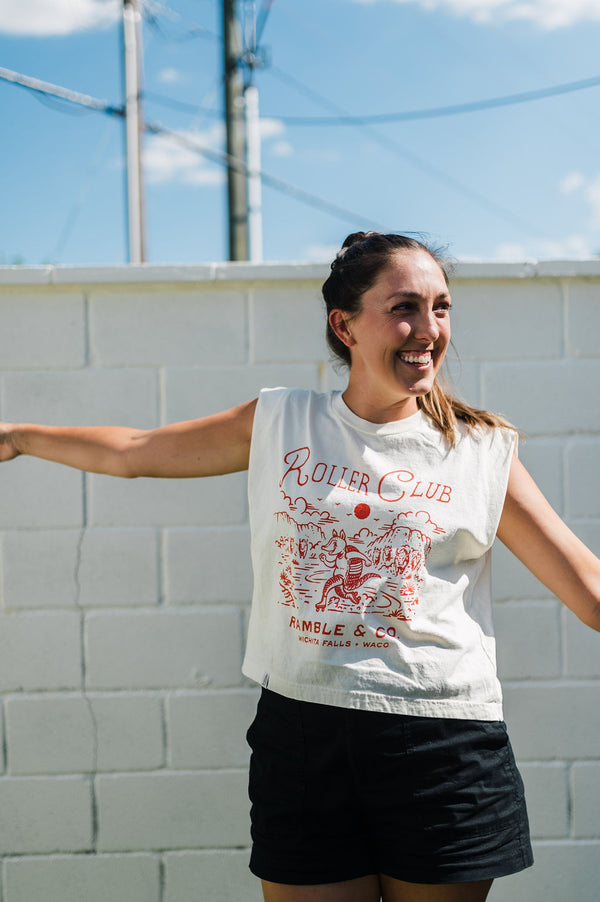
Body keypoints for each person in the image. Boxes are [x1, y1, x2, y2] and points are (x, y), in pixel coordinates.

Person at [1, 231, 599, 902]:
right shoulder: (282, 421)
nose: (428, 330)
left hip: (443, 746)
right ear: (343, 324)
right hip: (304, 736)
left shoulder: (481, 450)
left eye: (441, 307)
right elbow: (136, 450)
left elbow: (590, 590)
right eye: (405, 306)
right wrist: (18, 437)